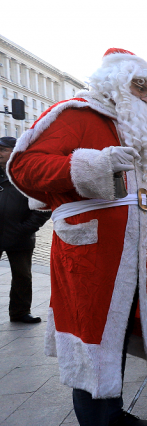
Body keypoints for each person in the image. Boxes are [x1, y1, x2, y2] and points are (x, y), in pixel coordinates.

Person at [7, 48, 147, 426]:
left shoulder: (132, 129)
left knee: (115, 339)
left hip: (126, 258)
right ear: (115, 82)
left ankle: (112, 411)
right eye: (138, 86)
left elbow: (135, 201)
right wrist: (93, 165)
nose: (146, 96)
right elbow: (23, 167)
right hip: (89, 258)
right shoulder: (76, 113)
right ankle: (99, 421)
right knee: (90, 343)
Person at [0, 136, 51, 323]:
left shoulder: (28, 173)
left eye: (2, 149)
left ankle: (20, 312)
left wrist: (25, 228)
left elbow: (44, 206)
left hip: (20, 235)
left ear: (15, 151)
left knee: (22, 276)